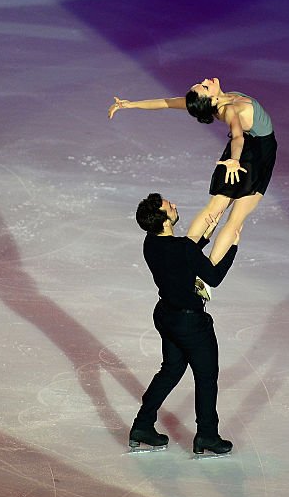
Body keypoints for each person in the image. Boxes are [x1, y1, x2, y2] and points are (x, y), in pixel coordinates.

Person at [109, 78, 276, 270]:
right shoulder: (228, 109)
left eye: (202, 83)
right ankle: (207, 270)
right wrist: (235, 159)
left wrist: (129, 104)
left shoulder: (215, 102)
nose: (206, 80)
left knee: (214, 209)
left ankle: (185, 257)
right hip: (256, 154)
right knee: (235, 219)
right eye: (205, 86)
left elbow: (167, 102)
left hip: (240, 154)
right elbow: (237, 137)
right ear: (211, 99)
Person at [130, 192, 239, 455]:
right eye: (170, 206)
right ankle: (207, 436)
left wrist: (205, 236)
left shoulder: (150, 243)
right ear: (165, 220)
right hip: (191, 325)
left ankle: (142, 425)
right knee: (206, 378)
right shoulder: (183, 248)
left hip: (166, 317)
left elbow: (181, 257)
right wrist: (232, 247)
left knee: (170, 370)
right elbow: (212, 276)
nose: (175, 205)